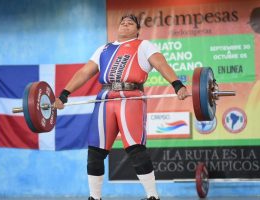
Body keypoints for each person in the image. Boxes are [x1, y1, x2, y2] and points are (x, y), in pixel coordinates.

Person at [54, 14, 189, 200]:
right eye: (123, 22)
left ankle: (152, 197)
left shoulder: (144, 45)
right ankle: (95, 197)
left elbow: (160, 63)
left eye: (130, 23)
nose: (125, 24)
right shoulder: (104, 49)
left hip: (131, 97)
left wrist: (177, 84)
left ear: (138, 30)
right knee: (95, 151)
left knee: (135, 148)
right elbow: (85, 72)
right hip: (104, 99)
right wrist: (64, 94)